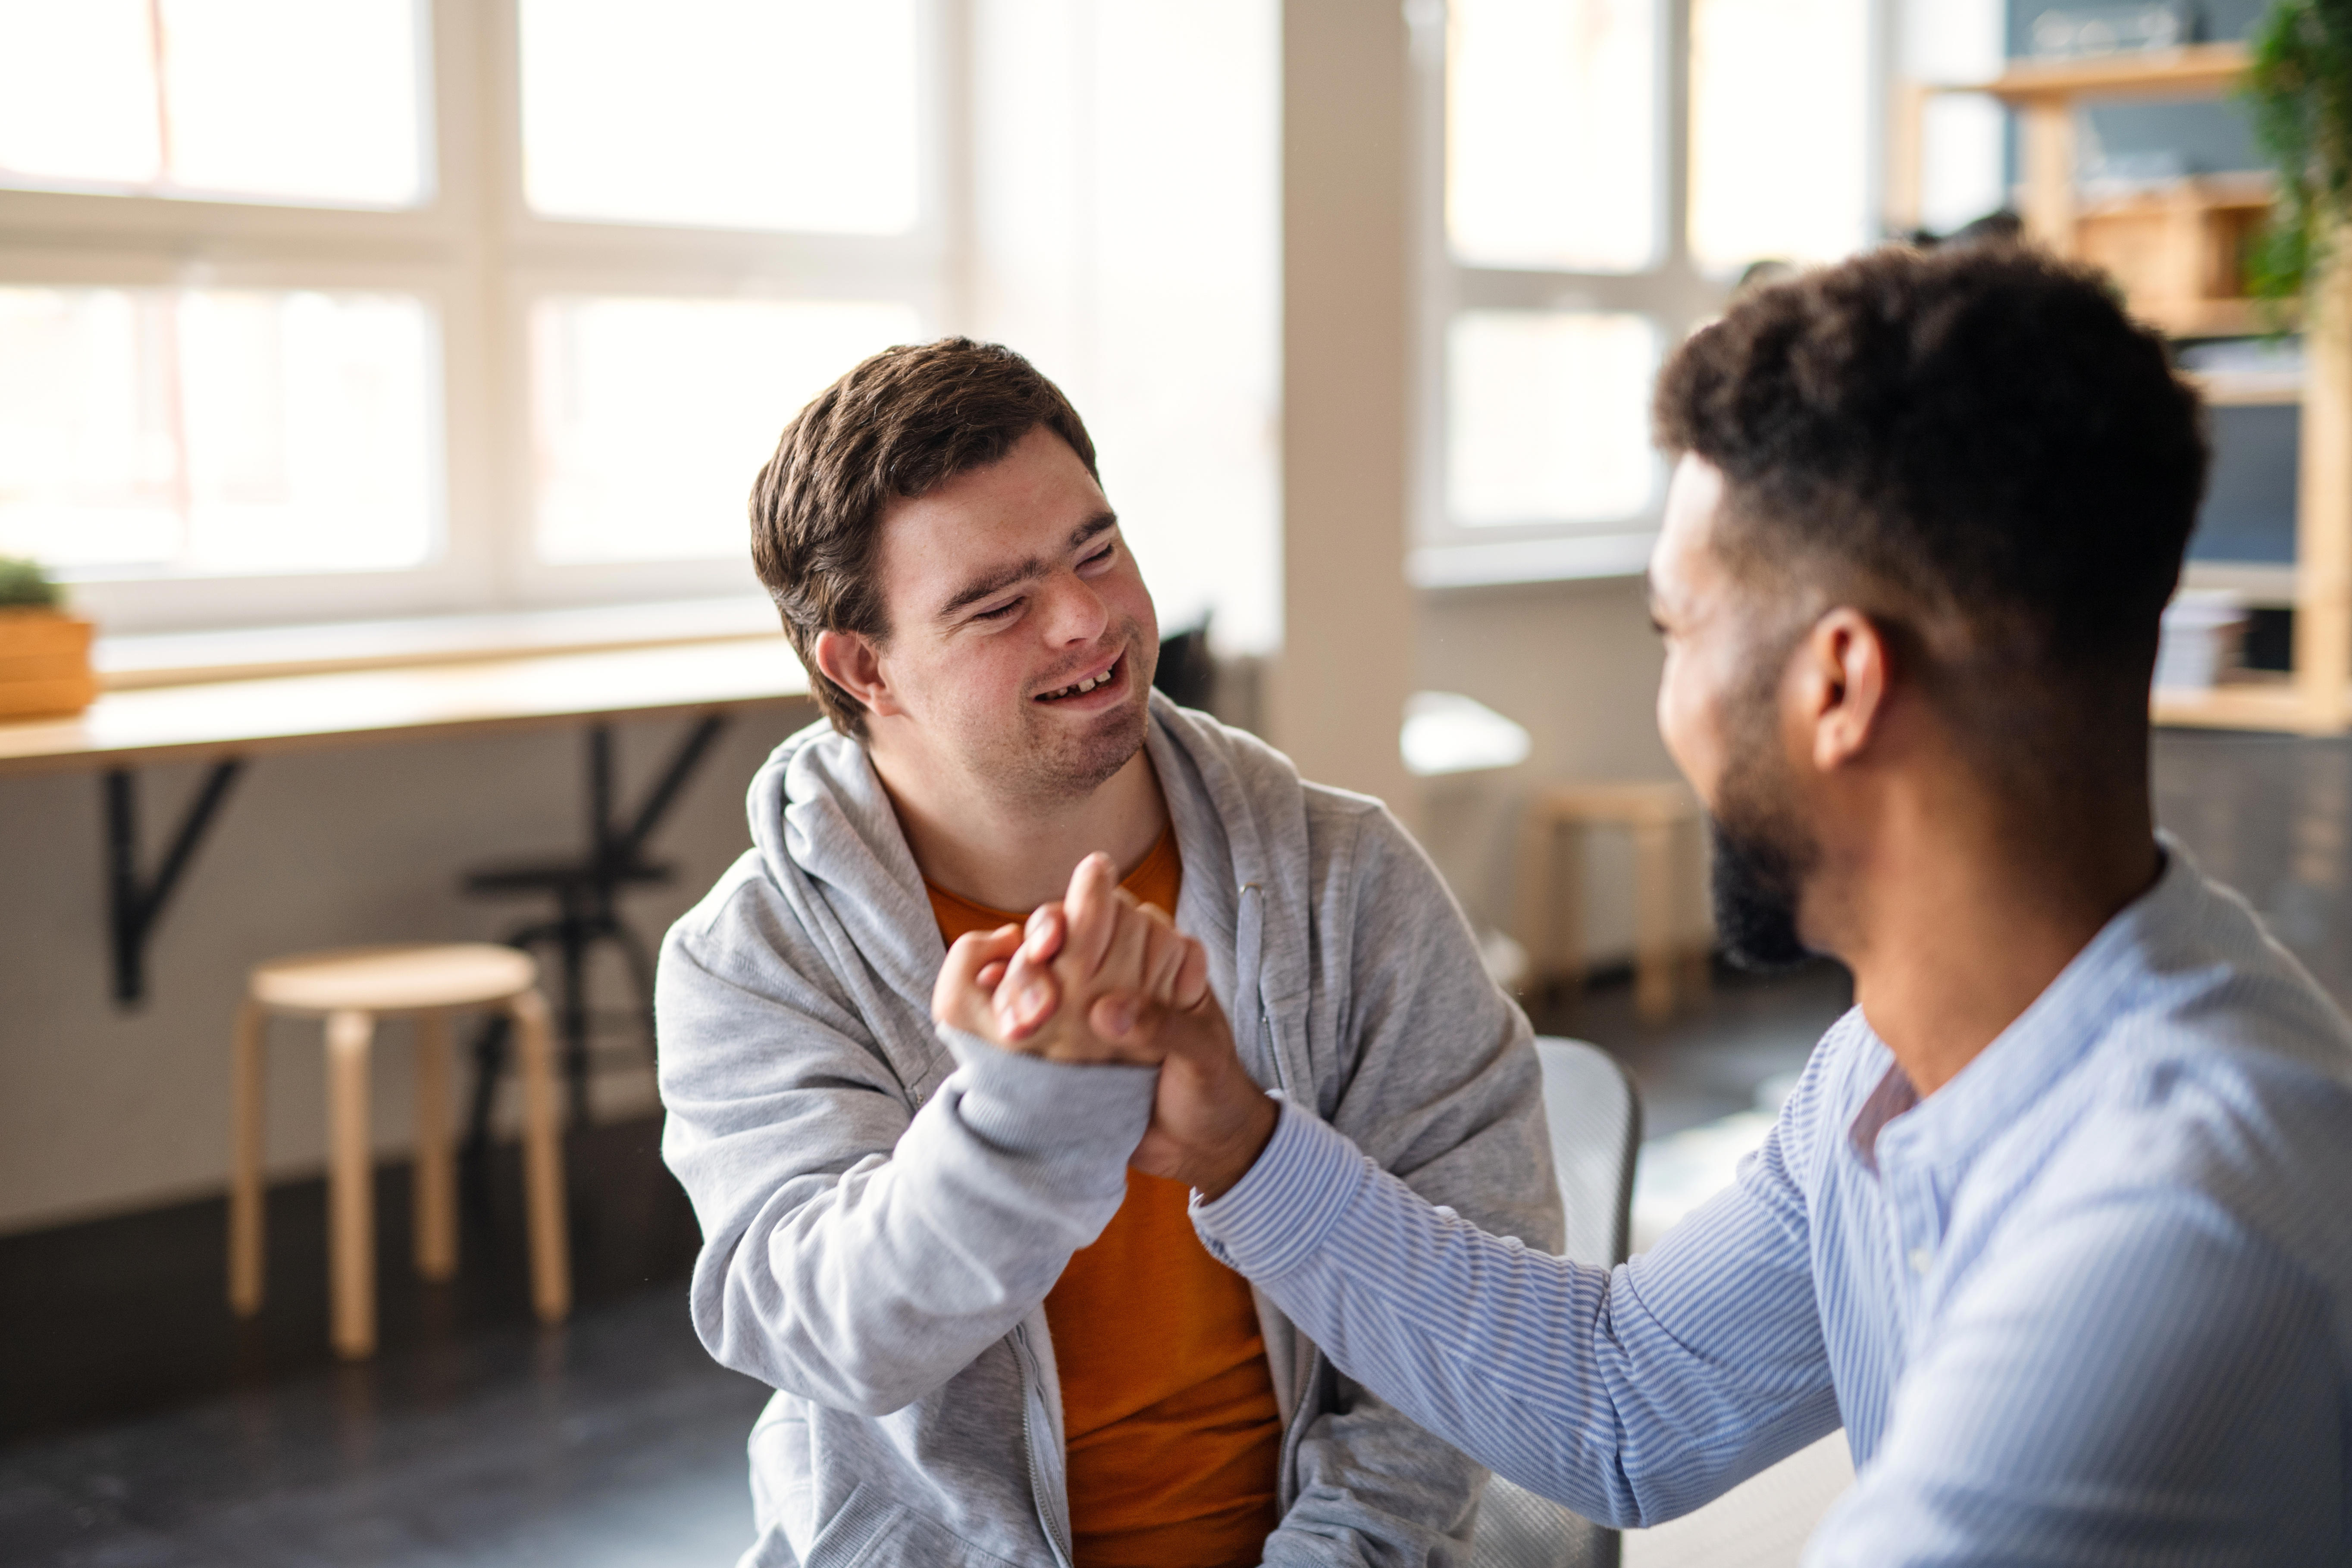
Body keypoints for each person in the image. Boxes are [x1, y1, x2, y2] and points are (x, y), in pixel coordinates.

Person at [942, 244, 2352, 1563]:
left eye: (1676, 633)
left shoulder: (2175, 1229)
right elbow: (1629, 1400)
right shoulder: (1902, 1060)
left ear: (1840, 686)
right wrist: (1243, 1145)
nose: (1665, 701)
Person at [655, 337, 1561, 1568]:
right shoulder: (754, 956)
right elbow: (832, 1331)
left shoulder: (1344, 878)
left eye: (1098, 550)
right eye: (999, 603)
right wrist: (1027, 1115)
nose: (1089, 620)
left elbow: (1472, 1303)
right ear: (866, 667)